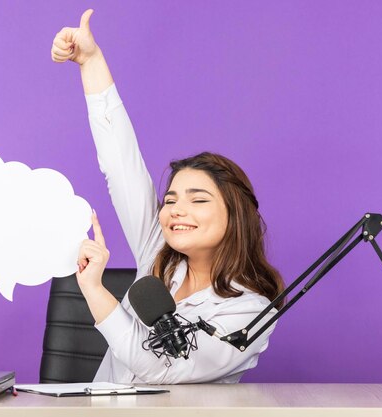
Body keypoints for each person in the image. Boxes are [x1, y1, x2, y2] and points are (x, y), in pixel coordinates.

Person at [51, 9, 285, 384]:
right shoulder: (158, 253)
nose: (177, 210)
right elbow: (119, 162)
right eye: (171, 199)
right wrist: (90, 61)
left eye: (199, 199)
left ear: (235, 214)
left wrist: (94, 290)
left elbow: (163, 367)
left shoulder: (250, 312)